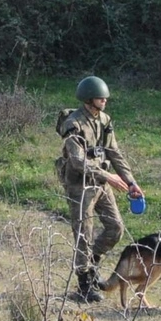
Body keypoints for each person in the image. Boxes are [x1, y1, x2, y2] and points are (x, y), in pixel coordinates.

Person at [55, 75, 146, 303]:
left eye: (105, 97)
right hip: (80, 186)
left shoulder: (104, 120)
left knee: (115, 228)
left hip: (101, 184)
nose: (104, 100)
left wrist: (130, 182)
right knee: (83, 235)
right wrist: (109, 177)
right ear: (88, 99)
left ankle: (91, 263)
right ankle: (84, 285)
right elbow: (77, 162)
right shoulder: (73, 124)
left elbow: (114, 153)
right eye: (100, 97)